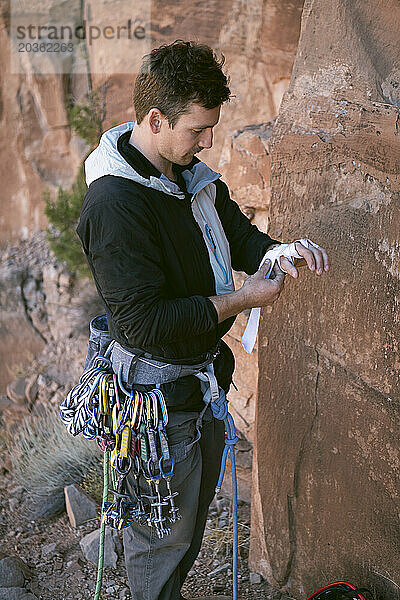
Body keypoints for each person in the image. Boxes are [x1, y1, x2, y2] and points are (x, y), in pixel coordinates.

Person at [77, 40, 329, 600]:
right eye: (198, 130)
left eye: (212, 128)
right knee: (161, 539)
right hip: (153, 399)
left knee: (186, 528)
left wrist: (278, 251)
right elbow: (144, 325)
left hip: (198, 380)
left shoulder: (188, 175)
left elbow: (235, 234)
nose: (209, 141)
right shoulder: (116, 206)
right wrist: (244, 301)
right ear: (155, 119)